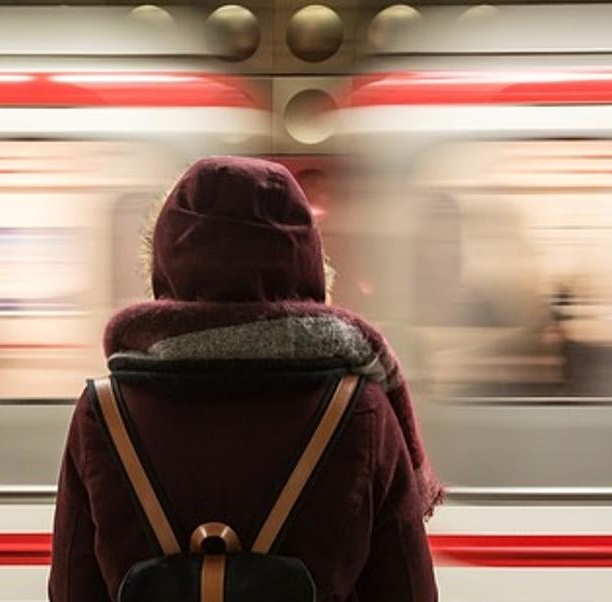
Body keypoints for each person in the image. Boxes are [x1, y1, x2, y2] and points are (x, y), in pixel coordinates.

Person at [48, 156, 442, 601]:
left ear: (166, 262)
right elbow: (408, 592)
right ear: (307, 263)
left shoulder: (104, 413)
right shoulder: (361, 409)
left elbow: (70, 589)